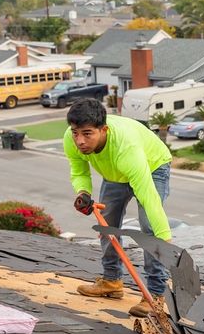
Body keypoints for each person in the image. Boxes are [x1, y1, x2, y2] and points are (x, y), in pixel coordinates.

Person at [63, 99, 172, 318]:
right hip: (114, 173)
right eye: (76, 133)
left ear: (104, 129)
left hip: (152, 166)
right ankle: (112, 281)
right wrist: (83, 192)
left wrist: (163, 236)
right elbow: (79, 171)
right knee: (107, 224)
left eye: (87, 134)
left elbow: (149, 197)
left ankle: (156, 295)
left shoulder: (127, 150)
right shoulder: (71, 138)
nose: (80, 141)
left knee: (150, 229)